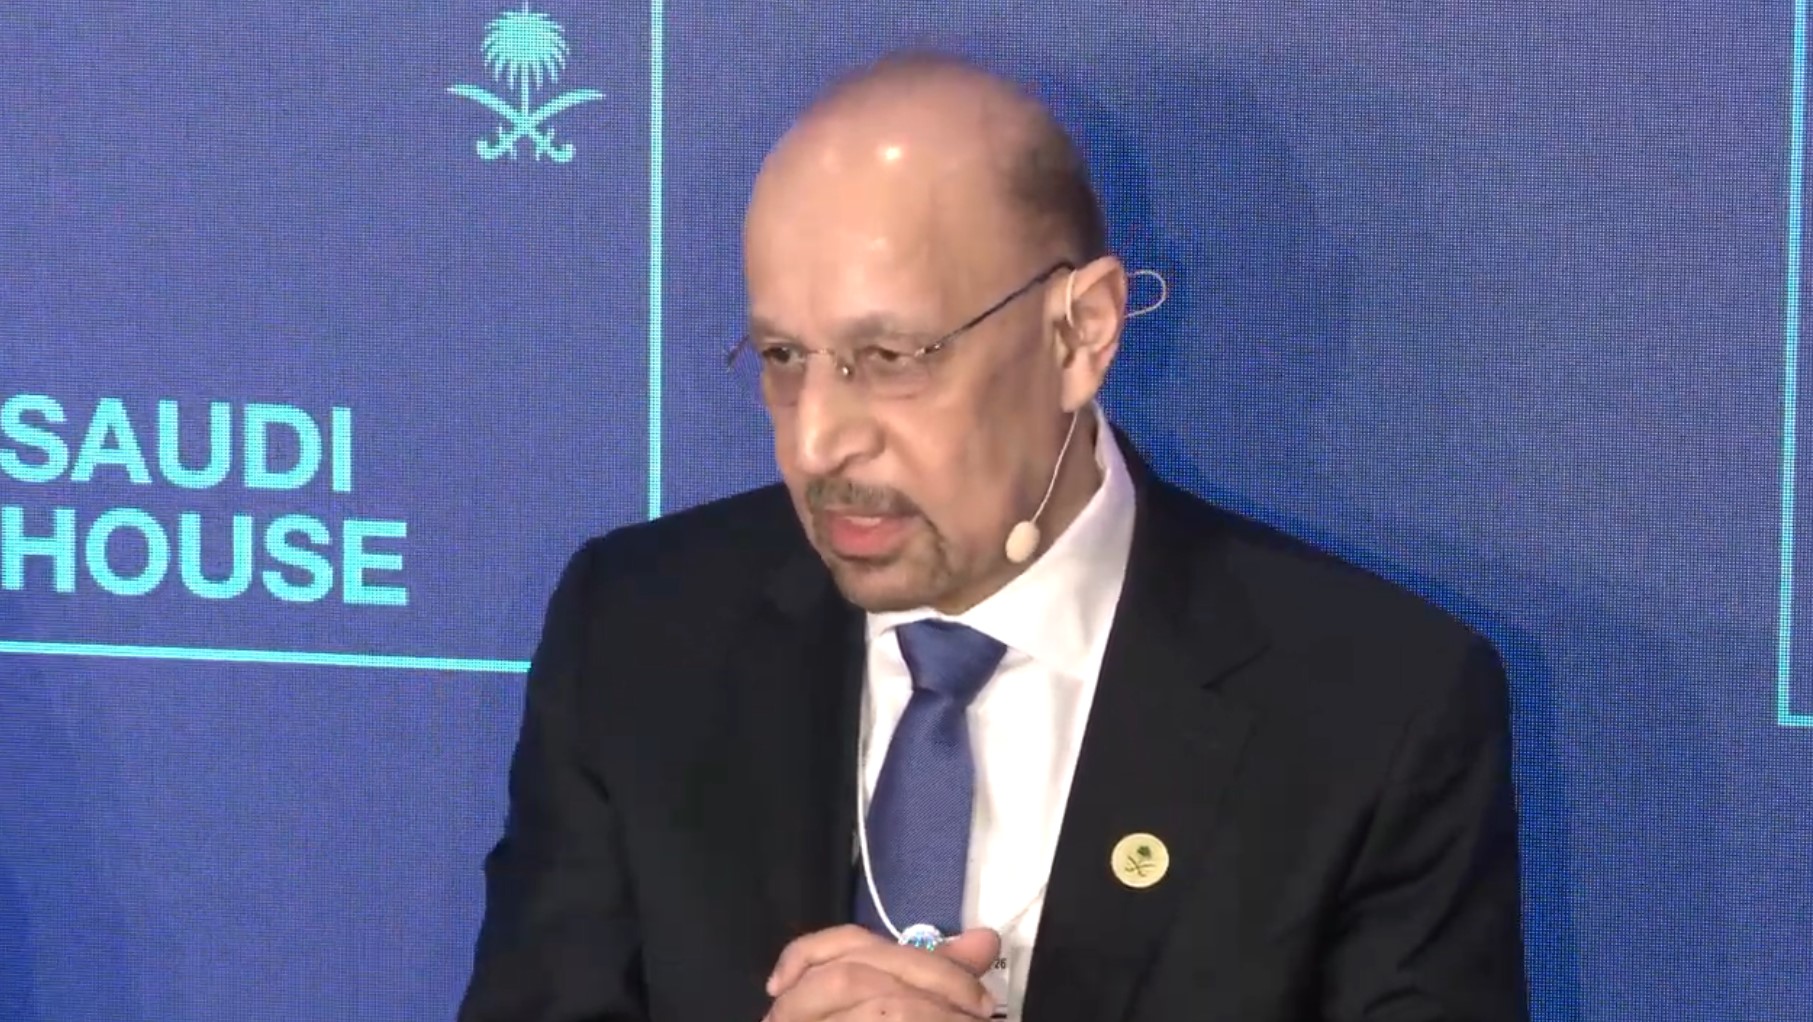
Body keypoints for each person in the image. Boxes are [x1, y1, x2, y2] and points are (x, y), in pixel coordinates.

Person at [458, 53, 1528, 1022]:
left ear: (1080, 332)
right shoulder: (639, 631)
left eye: (890, 358)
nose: (818, 440)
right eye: (783, 357)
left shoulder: (1373, 706)